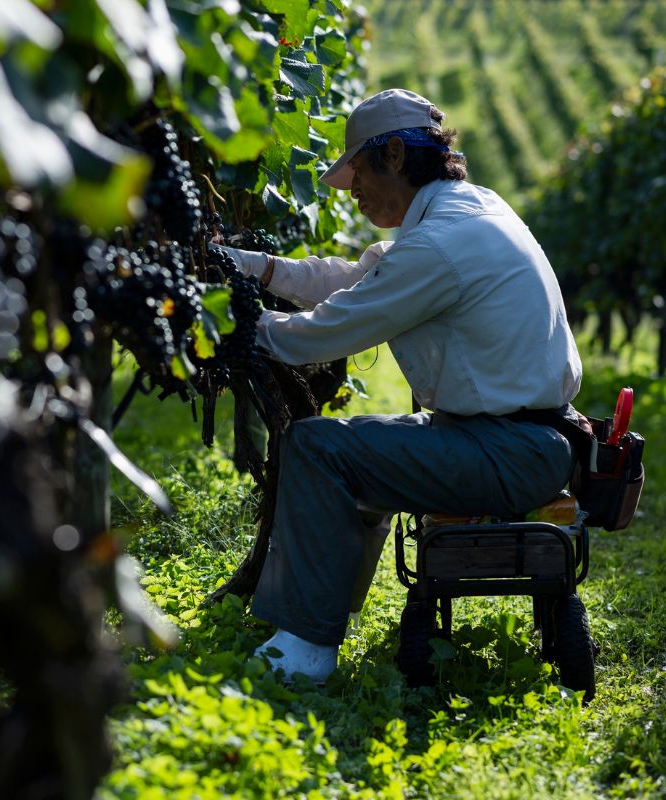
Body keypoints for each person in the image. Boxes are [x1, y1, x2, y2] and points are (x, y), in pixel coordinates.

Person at [215, 88, 582, 683]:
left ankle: (305, 648)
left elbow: (323, 332)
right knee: (357, 444)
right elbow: (363, 277)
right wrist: (255, 267)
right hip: (520, 440)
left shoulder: (440, 243)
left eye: (357, 170)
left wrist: (225, 320)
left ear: (392, 155)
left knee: (316, 446)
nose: (352, 188)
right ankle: (324, 611)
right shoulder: (467, 211)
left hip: (504, 451)